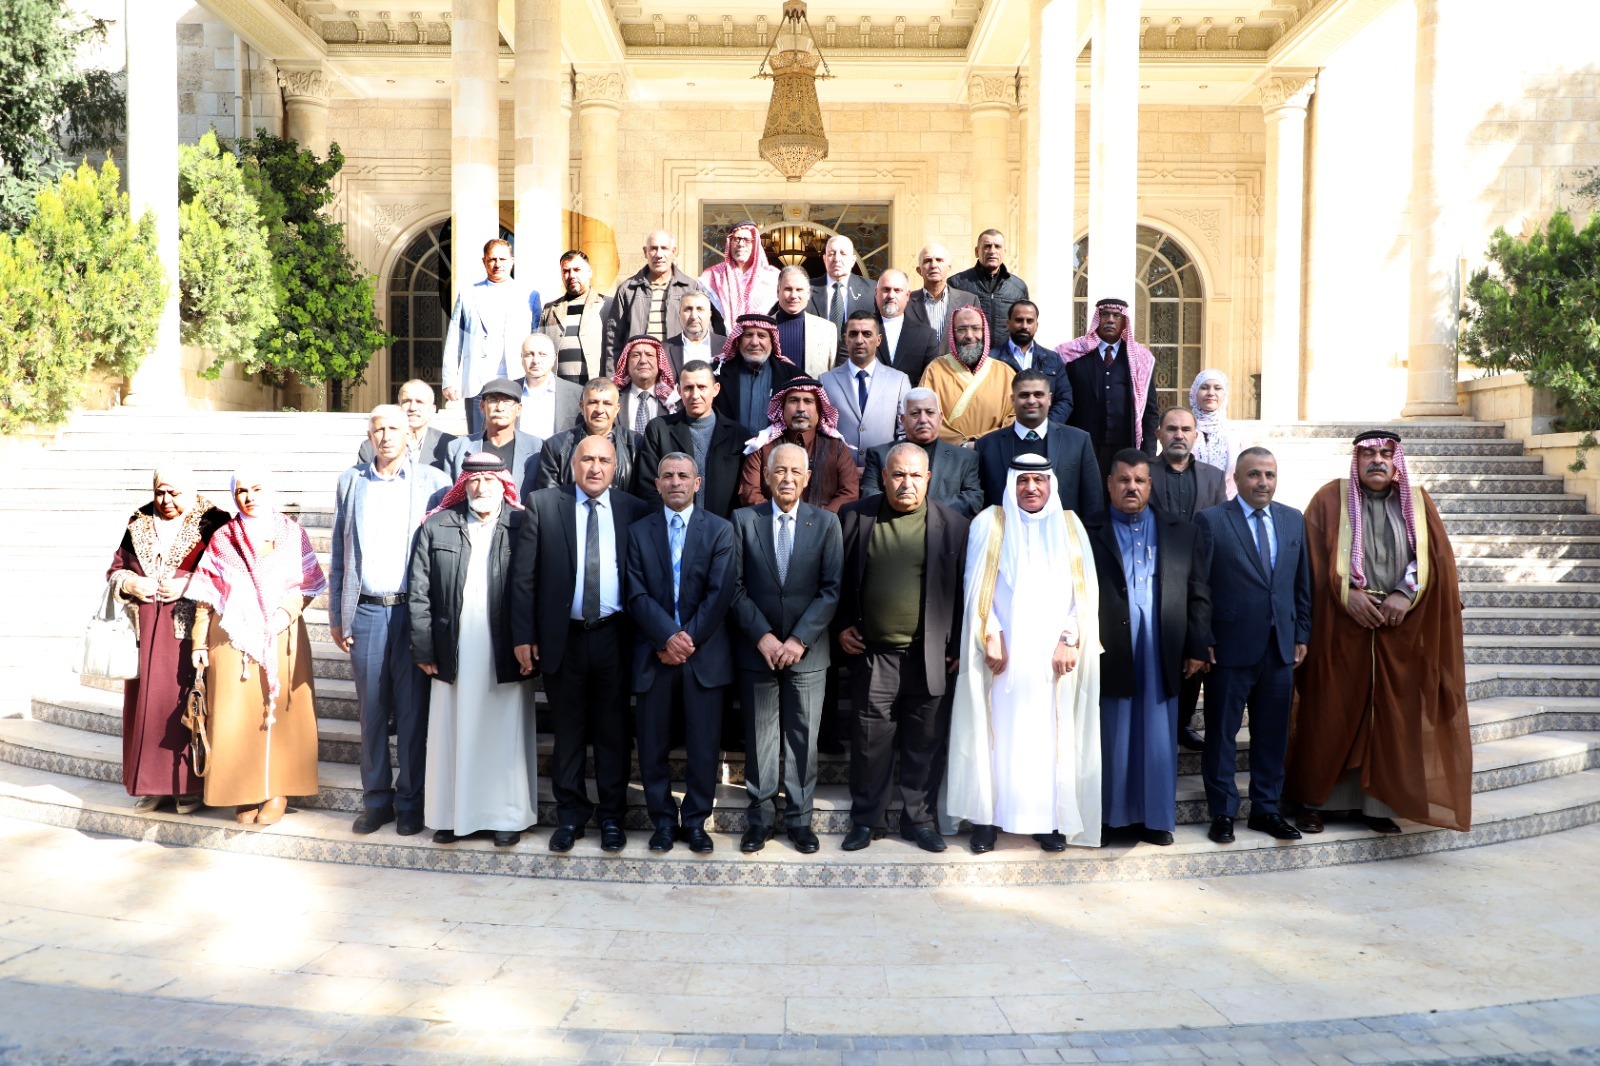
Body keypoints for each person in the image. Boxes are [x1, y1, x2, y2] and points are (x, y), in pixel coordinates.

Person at [1287, 431, 1472, 834]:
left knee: (1389, 722)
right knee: (1329, 714)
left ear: (1396, 461)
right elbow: (1309, 561)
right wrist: (1347, 595)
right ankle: (1315, 801)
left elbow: (1437, 561)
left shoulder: (1418, 503)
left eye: (1386, 454)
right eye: (1369, 454)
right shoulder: (1329, 499)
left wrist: (1406, 595)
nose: (1378, 461)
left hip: (1397, 632)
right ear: (1356, 460)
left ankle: (1375, 807)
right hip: (1340, 630)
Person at [945, 453, 1102, 852]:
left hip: (1053, 660)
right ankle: (987, 820)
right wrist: (990, 633)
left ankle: (1047, 821)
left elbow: (1084, 594)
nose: (1031, 488)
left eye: (1039, 480)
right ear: (1010, 483)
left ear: (1051, 484)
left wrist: (1070, 639)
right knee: (994, 735)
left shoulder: (1070, 526)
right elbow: (974, 586)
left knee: (1048, 739)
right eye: (1022, 481)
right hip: (1000, 656)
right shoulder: (990, 522)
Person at [512, 435, 651, 853]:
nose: (595, 467)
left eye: (604, 460)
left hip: (615, 637)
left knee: (613, 733)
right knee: (568, 733)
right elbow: (524, 577)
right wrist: (524, 635)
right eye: (587, 459)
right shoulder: (543, 504)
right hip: (563, 638)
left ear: (615, 467)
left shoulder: (633, 509)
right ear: (573, 465)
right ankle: (570, 816)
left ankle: (611, 818)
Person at [835, 443, 969, 853]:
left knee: (924, 742)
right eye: (898, 474)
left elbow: (965, 591)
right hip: (873, 654)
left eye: (914, 475)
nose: (906, 483)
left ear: (928, 479)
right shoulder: (854, 516)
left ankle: (920, 822)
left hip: (930, 656)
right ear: (884, 476)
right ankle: (866, 821)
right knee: (869, 742)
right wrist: (841, 625)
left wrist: (958, 644)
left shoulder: (954, 525)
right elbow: (836, 579)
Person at [330, 406, 451, 837]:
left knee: (414, 713)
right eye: (378, 429)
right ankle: (377, 801)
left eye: (394, 428)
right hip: (365, 612)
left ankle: (411, 802)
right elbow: (340, 553)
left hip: (412, 613)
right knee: (373, 713)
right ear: (369, 436)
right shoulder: (351, 482)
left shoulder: (435, 483)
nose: (385, 435)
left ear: (410, 434)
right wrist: (337, 615)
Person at [408, 453, 534, 847]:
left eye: (490, 480)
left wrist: (531, 640)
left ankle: (506, 817)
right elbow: (419, 592)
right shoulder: (437, 525)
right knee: (451, 731)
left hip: (506, 648)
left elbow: (535, 587)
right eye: (474, 481)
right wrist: (423, 646)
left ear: (503, 484)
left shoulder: (521, 524)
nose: (481, 488)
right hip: (452, 647)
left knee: (504, 733)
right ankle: (451, 816)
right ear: (463, 485)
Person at [188, 469, 326, 825]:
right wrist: (199, 642)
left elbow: (307, 584)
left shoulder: (292, 534)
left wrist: (284, 613)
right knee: (236, 716)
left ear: (271, 490)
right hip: (232, 638)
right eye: (241, 491)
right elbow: (205, 596)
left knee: (280, 715)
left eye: (257, 488)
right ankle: (243, 789)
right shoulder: (223, 538)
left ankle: (278, 790)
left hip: (280, 633)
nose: (249, 497)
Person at [1087, 450, 1210, 846]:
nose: (1132, 487)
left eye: (1139, 481)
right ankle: (1111, 820)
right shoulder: (1087, 530)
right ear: (1109, 484)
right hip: (1110, 646)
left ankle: (1156, 820)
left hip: (1161, 649)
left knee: (1158, 737)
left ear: (1150, 484)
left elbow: (1198, 591)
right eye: (1123, 480)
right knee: (1114, 733)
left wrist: (1197, 645)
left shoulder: (1181, 530)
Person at [1193, 447, 1312, 844]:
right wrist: (1204, 637)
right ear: (1237, 479)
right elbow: (1199, 585)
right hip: (1229, 646)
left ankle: (1266, 809)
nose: (1263, 482)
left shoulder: (1293, 519)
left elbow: (1301, 583)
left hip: (1280, 647)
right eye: (1254, 474)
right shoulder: (1212, 520)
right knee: (1222, 734)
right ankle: (1223, 812)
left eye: (1269, 475)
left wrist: (1301, 633)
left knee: (1272, 734)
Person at [729, 443, 844, 854]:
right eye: (780, 471)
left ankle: (799, 821)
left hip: (807, 655)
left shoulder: (826, 523)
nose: (788, 478)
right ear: (766, 476)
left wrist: (797, 640)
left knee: (802, 740)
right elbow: (734, 586)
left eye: (796, 471)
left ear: (808, 478)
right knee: (760, 740)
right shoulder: (744, 520)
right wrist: (762, 635)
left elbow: (831, 590)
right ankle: (759, 821)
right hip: (756, 651)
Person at [625, 453, 738, 853]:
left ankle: (694, 822)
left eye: (683, 476)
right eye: (668, 476)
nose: (676, 482)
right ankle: (661, 823)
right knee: (652, 747)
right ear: (657, 484)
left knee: (703, 748)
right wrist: (666, 638)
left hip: (702, 657)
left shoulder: (720, 530)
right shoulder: (638, 532)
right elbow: (635, 593)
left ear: (697, 483)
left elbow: (719, 593)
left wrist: (684, 640)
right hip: (654, 656)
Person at [106, 466, 229, 813]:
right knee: (148, 707)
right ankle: (152, 784)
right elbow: (116, 568)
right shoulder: (140, 520)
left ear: (191, 490)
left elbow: (231, 572)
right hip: (146, 629)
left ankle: (189, 786)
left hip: (192, 631)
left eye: (174, 493)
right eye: (160, 492)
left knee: (186, 704)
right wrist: (130, 583)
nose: (165, 500)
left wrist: (190, 583)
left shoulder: (214, 522)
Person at [1148, 405, 1228, 753]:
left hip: (1199, 579)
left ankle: (1182, 722)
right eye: (1171, 429)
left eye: (1185, 430)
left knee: (1194, 650)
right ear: (1159, 434)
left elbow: (1222, 526)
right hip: (1153, 575)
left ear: (1196, 436)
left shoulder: (1213, 477)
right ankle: (1155, 721)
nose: (1178, 435)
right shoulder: (1143, 472)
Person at [442, 238, 543, 436]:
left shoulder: (529, 295)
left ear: (512, 261)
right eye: (492, 259)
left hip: (516, 379)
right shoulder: (468, 294)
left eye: (503, 259)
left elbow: (537, 338)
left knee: (516, 438)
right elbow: (455, 338)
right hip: (477, 382)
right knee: (478, 439)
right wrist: (449, 380)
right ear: (484, 261)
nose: (498, 264)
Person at [974, 369, 1103, 520]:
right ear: (1013, 399)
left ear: (1049, 398)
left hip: (1062, 533)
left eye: (1038, 394)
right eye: (1024, 395)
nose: (1031, 401)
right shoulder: (986, 446)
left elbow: (1093, 503)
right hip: (1005, 532)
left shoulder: (1078, 441)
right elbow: (980, 504)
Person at [1057, 298, 1160, 479]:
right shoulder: (1074, 356)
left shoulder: (1140, 359)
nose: (1110, 320)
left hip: (1125, 447)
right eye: (1105, 314)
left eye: (1116, 315)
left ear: (1124, 321)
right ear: (1098, 318)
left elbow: (1150, 412)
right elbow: (1062, 401)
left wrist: (1148, 453)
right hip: (1082, 448)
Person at [635, 359, 748, 518]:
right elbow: (649, 487)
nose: (695, 395)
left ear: (716, 389)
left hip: (723, 527)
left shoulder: (738, 435)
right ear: (679, 391)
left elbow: (743, 491)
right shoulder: (659, 430)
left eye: (702, 387)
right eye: (688, 388)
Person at [737, 378, 860, 514]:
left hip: (824, 525)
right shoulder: (762, 446)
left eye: (808, 401)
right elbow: (749, 492)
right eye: (794, 401)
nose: (801, 408)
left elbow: (850, 492)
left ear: (819, 409)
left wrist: (819, 520)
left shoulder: (836, 447)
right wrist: (781, 518)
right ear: (782, 407)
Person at [861, 388, 985, 517]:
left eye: (930, 412)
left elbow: (973, 498)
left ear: (940, 417)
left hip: (945, 526)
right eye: (915, 413)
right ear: (903, 420)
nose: (923, 420)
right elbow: (869, 495)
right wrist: (905, 509)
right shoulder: (879, 455)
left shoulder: (964, 459)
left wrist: (926, 513)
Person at [820, 311, 911, 466]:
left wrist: (888, 467)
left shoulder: (899, 381)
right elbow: (822, 431)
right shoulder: (826, 381)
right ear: (846, 339)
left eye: (867, 334)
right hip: (839, 472)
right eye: (853, 334)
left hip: (883, 472)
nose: (859, 340)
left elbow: (905, 432)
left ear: (878, 340)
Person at [605, 229, 704, 370]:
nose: (659, 254)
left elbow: (703, 334)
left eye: (664, 248)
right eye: (653, 248)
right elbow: (613, 339)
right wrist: (613, 377)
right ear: (645, 252)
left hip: (679, 370)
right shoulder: (628, 289)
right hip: (640, 370)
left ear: (673, 251)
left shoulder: (691, 288)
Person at [920, 305, 1016, 447]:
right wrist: (963, 444)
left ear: (984, 332)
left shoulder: (1005, 372)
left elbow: (1015, 417)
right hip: (948, 453)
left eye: (976, 328)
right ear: (953, 334)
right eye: (962, 329)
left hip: (994, 450)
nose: (970, 336)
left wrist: (981, 444)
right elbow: (925, 415)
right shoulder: (935, 370)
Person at [535, 377, 641, 494]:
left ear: (617, 409)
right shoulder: (555, 446)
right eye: (593, 402)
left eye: (607, 403)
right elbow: (549, 498)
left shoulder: (636, 446)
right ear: (582, 407)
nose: (600, 410)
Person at [445, 377, 543, 501]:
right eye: (493, 400)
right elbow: (449, 499)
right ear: (482, 406)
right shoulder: (458, 448)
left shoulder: (537, 448)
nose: (500, 408)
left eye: (507, 402)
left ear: (518, 409)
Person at [712, 312, 804, 435]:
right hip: (729, 446)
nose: (754, 342)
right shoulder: (717, 374)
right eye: (748, 335)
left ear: (772, 341)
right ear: (738, 340)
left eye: (762, 336)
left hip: (777, 446)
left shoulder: (793, 376)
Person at [990, 300, 1071, 426]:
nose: (1024, 326)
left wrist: (1045, 428)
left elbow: (1064, 399)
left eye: (1029, 321)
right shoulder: (992, 359)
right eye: (1019, 320)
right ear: (1008, 324)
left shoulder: (1053, 359)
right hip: (1004, 433)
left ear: (1036, 325)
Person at [538, 249, 612, 383]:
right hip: (558, 388)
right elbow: (540, 350)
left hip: (595, 388)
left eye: (577, 270)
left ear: (589, 272)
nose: (571, 275)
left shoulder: (607, 306)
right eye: (566, 271)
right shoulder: (549, 310)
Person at [949, 229, 1031, 343]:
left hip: (1005, 353)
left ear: (1004, 252)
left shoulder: (1018, 288)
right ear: (977, 251)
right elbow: (948, 326)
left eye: (997, 247)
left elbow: (1024, 325)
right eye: (987, 246)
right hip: (970, 351)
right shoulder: (957, 284)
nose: (992, 251)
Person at [357, 379, 455, 470]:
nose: (412, 408)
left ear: (432, 410)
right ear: (398, 407)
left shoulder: (450, 445)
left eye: (419, 402)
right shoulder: (371, 448)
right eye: (406, 401)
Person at [699, 221, 780, 326]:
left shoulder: (773, 278)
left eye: (747, 240)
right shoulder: (712, 276)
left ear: (755, 244)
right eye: (736, 239)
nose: (741, 244)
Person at [806, 234, 874, 357]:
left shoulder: (872, 290)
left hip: (857, 361)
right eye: (831, 254)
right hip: (817, 361)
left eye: (843, 253)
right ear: (824, 259)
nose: (837, 259)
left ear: (853, 260)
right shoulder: (806, 290)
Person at [905, 242, 981, 350]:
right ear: (919, 270)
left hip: (954, 361)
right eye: (927, 261)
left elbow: (976, 341)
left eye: (939, 260)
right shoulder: (906, 302)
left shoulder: (969, 301)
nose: (934, 265)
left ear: (949, 267)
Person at [873, 269, 940, 386]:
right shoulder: (857, 331)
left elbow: (929, 381)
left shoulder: (926, 336)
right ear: (876, 293)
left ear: (907, 295)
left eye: (897, 290)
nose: (891, 295)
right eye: (886, 289)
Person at [770, 266, 839, 378]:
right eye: (788, 289)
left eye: (799, 290)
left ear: (808, 293)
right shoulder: (762, 328)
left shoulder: (827, 330)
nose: (793, 295)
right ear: (778, 292)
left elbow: (834, 376)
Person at [517, 333, 583, 440]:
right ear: (521, 358)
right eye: (529, 354)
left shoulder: (577, 394)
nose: (536, 361)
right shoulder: (509, 391)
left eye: (542, 354)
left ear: (554, 358)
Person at [1189, 369, 1242, 499]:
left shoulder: (1237, 433)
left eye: (1217, 388)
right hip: (1190, 502)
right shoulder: (1184, 429)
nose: (1211, 393)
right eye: (1204, 388)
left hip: (1228, 502)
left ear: (1225, 394)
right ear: (1194, 393)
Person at [613, 334, 679, 434]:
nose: (643, 361)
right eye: (636, 355)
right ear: (626, 362)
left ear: (660, 361)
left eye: (649, 355)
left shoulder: (674, 400)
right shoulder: (613, 398)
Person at [663, 292, 724, 379]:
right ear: (680, 313)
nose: (694, 316)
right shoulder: (664, 349)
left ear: (710, 314)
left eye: (700, 309)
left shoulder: (727, 347)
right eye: (688, 309)